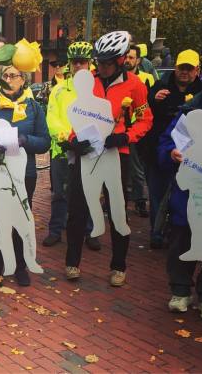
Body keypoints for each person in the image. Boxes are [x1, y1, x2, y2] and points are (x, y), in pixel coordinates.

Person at [65, 31, 153, 287]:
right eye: (98, 62)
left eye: (106, 63)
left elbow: (145, 119)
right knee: (77, 209)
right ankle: (72, 262)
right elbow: (78, 115)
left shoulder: (134, 84)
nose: (100, 68)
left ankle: (118, 266)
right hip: (87, 154)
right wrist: (73, 140)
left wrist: (127, 136)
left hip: (116, 154)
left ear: (122, 60)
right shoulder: (88, 81)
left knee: (117, 210)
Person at [158, 51, 202, 321]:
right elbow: (166, 142)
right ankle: (180, 289)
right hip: (188, 196)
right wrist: (171, 154)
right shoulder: (189, 111)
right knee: (181, 241)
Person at [0, 65, 51, 287]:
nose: (8, 80)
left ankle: (20, 266)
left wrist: (25, 140)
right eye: (4, 76)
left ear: (23, 80)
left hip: (23, 174)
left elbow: (45, 141)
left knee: (20, 220)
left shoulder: (33, 107)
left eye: (13, 76)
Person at [138, 49, 202, 248]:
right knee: (157, 194)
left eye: (189, 68)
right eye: (181, 67)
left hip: (191, 156)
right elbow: (143, 111)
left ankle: (180, 234)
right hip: (159, 151)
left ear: (197, 70)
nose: (184, 72)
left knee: (184, 195)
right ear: (175, 68)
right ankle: (157, 233)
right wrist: (153, 99)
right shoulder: (160, 85)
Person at [44, 42, 100, 250]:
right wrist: (68, 139)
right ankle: (55, 230)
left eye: (82, 62)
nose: (78, 66)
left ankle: (90, 231)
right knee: (60, 193)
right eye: (74, 62)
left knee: (90, 194)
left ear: (89, 64)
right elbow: (52, 118)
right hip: (63, 149)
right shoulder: (58, 90)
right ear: (69, 64)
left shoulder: (97, 89)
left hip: (89, 151)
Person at [124, 45, 154, 218]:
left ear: (138, 60)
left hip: (136, 130)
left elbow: (147, 106)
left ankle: (141, 201)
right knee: (121, 168)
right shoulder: (119, 79)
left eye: (132, 57)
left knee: (136, 168)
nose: (128, 60)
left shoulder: (146, 78)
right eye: (126, 57)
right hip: (121, 130)